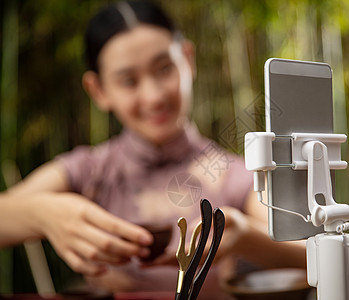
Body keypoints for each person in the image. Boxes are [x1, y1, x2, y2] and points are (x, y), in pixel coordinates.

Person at [0, 1, 306, 298]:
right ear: (98, 90)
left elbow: (311, 252)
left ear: (188, 60)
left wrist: (245, 238)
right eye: (129, 81)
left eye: (164, 69)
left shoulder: (235, 173)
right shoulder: (88, 170)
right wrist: (42, 214)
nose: (154, 96)